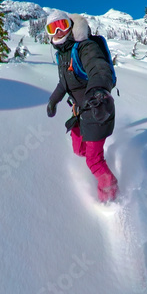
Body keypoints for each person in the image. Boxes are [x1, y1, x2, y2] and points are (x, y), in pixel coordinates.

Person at [44, 11, 119, 203]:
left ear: (70, 26)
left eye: (62, 25)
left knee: (93, 160)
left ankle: (110, 197)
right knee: (79, 150)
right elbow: (64, 83)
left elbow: (98, 67)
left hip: (97, 107)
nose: (59, 32)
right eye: (53, 28)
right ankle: (96, 154)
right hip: (79, 112)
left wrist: (99, 90)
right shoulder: (63, 55)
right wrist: (53, 100)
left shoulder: (85, 47)